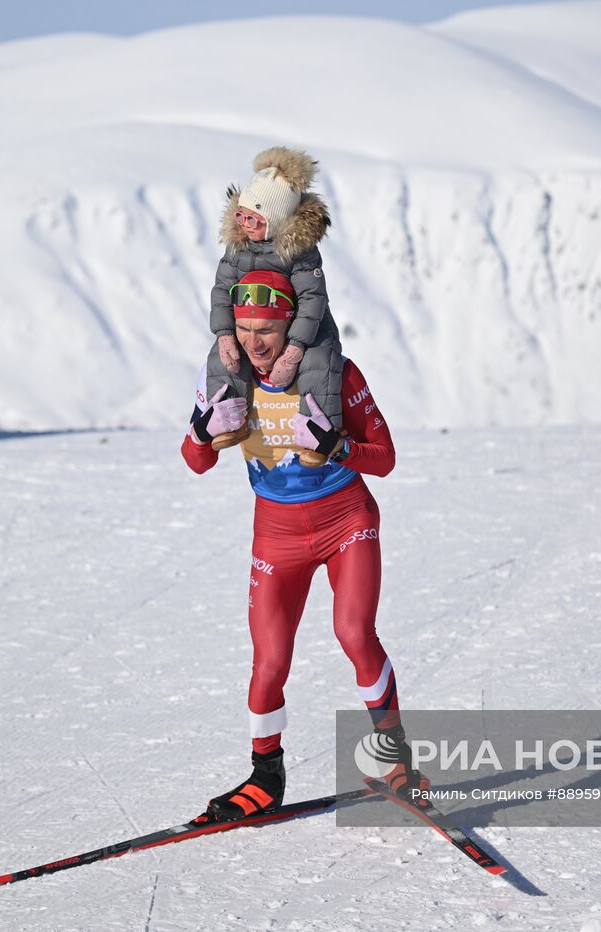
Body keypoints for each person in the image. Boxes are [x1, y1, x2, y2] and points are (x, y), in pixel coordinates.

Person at [182, 270, 427, 821]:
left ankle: (397, 761)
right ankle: (265, 777)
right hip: (277, 533)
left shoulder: (333, 373)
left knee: (354, 633)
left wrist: (337, 445)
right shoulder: (230, 376)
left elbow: (383, 458)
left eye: (266, 330)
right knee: (268, 661)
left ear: (292, 324)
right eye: (243, 329)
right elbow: (196, 460)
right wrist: (201, 432)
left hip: (345, 519)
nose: (254, 342)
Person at [204, 147, 346, 453]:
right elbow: (221, 290)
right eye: (240, 215)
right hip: (250, 319)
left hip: (301, 327)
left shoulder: (299, 252)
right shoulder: (237, 247)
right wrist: (225, 335)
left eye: (253, 219)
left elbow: (312, 300)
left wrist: (294, 350)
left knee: (320, 363)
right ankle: (228, 416)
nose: (243, 224)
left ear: (275, 220)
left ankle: (317, 432)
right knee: (221, 358)